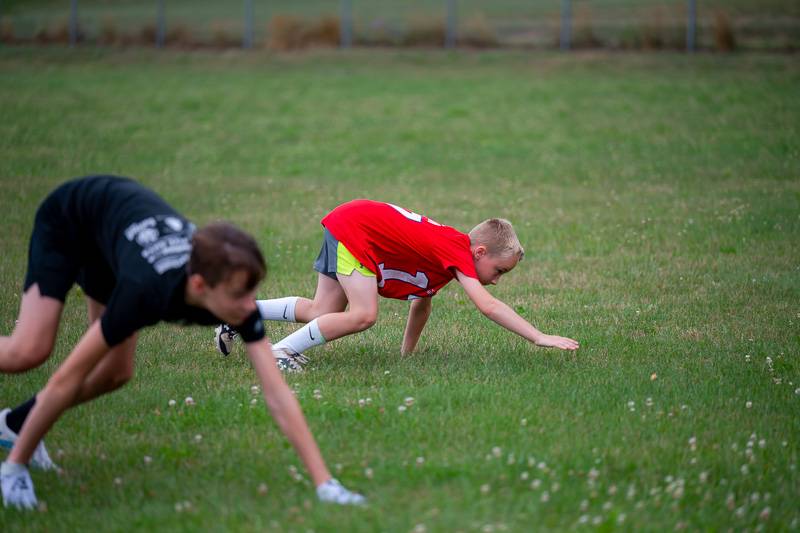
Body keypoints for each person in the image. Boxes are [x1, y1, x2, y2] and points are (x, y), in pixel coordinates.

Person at [0, 176, 364, 509]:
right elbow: (66, 377)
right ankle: (15, 459)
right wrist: (15, 470)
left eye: (252, 291)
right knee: (29, 351)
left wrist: (325, 484)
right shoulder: (144, 293)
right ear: (200, 287)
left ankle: (15, 423)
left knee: (115, 373)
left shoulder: (236, 302)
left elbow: (276, 394)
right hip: (72, 221)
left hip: (115, 231)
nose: (250, 304)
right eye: (240, 294)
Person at [215, 199, 579, 371]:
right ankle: (280, 353)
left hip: (350, 223)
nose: (496, 281)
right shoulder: (456, 250)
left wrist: (407, 354)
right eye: (499, 271)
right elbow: (488, 306)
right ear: (480, 251)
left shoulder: (448, 260)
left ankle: (235, 313)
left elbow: (421, 303)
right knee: (362, 315)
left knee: (322, 312)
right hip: (355, 232)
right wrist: (538, 336)